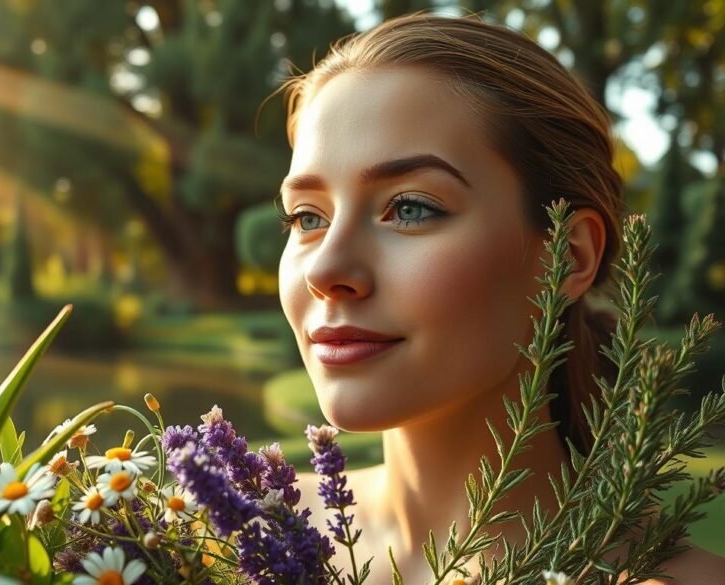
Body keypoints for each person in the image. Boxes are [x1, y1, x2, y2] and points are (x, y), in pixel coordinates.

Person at [277, 13, 725, 585]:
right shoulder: (223, 535)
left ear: (570, 257)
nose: (327, 270)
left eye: (410, 207)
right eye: (306, 217)